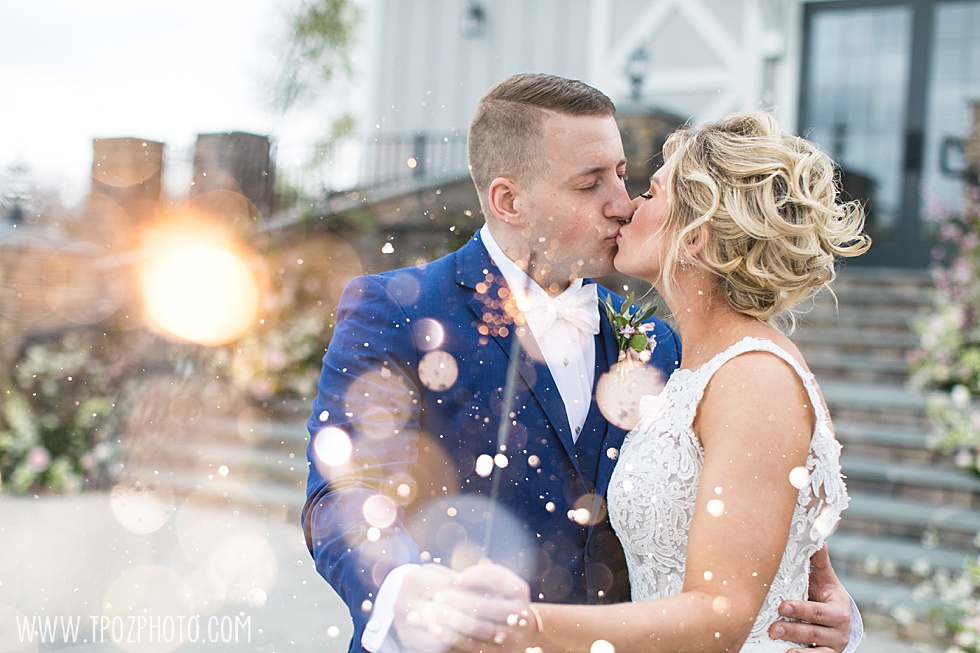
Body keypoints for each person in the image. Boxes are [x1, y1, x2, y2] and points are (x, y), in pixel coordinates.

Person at [302, 74, 859, 653]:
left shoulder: (660, 344)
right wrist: (407, 587)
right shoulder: (395, 310)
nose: (621, 203)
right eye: (591, 183)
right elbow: (342, 496)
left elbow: (738, 511)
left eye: (622, 174)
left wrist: (815, 600)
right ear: (509, 201)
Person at [447, 111, 871, 653]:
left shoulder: (755, 379)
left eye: (649, 192)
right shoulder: (680, 358)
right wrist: (825, 584)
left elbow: (721, 619)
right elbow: (788, 527)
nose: (626, 205)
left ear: (695, 238)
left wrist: (522, 625)